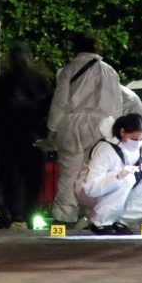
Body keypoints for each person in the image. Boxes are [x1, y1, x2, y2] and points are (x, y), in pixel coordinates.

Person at [47, 33, 124, 225]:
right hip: (101, 125)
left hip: (71, 124)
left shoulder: (68, 70)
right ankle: (94, 216)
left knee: (69, 172)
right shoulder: (109, 71)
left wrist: (52, 130)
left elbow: (60, 103)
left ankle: (65, 215)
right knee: (95, 172)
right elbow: (116, 105)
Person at [75, 114, 142, 234]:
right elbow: (91, 188)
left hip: (123, 191)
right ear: (122, 132)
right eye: (134, 139)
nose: (138, 143)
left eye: (141, 139)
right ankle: (101, 222)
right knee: (127, 179)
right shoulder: (105, 148)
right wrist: (118, 177)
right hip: (92, 193)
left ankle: (120, 221)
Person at [0, 43, 54, 223]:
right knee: (15, 179)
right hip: (16, 137)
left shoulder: (35, 80)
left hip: (26, 136)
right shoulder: (8, 81)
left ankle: (22, 214)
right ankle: (19, 214)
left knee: (27, 179)